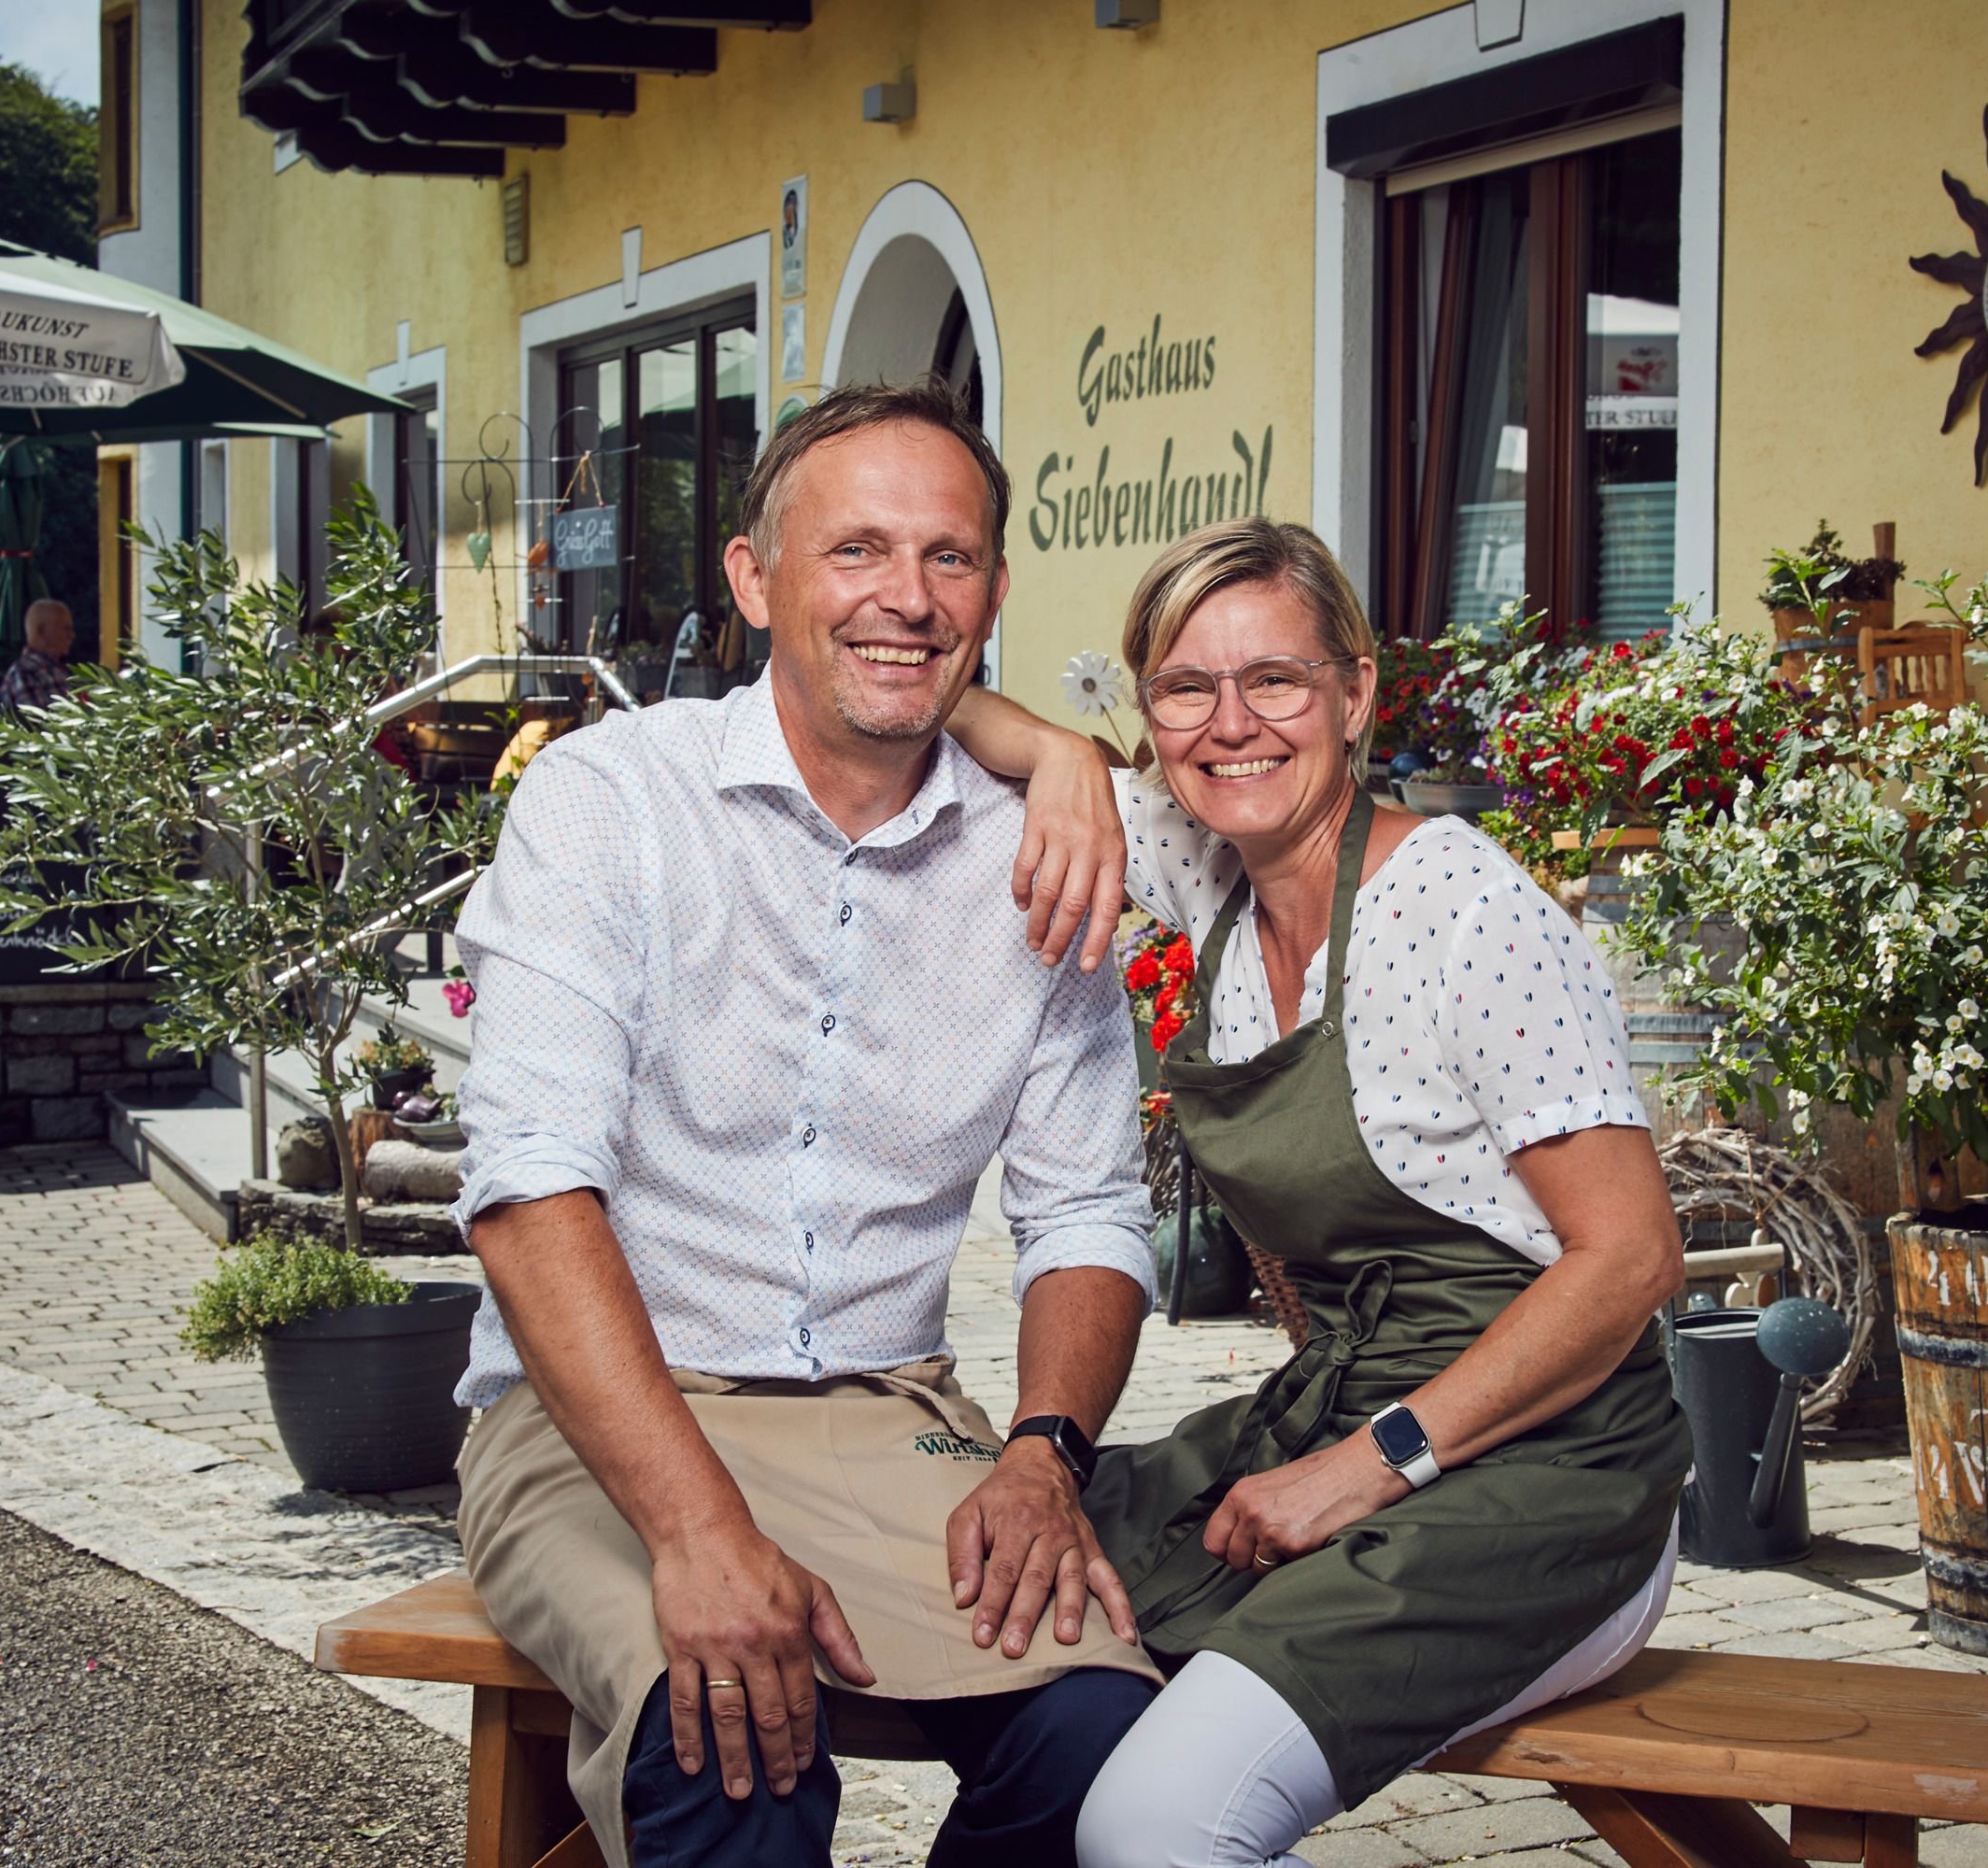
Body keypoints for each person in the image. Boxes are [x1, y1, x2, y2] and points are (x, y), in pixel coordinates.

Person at [450, 378, 1164, 1868]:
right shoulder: (611, 802)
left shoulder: (1045, 854)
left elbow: (1090, 1213)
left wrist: (1042, 1450)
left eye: (949, 558)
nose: (906, 598)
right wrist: (701, 1531)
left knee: (1115, 1756)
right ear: (755, 578)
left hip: (882, 1411)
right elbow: (529, 1196)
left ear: (995, 590)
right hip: (596, 1423)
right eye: (857, 552)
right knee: (731, 1747)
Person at [944, 519, 1691, 1868]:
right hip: (1330, 1418)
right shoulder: (1208, 868)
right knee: (995, 1607)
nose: (1232, 725)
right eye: (1186, 688)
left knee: (1157, 1819)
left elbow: (1633, 1262)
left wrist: (1369, 1466)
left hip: (1551, 1479)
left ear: (1357, 695)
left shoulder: (1466, 908)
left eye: (1276, 681)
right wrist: (1067, 749)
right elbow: (955, 705)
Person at [0, 598, 76, 713]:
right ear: (41, 631)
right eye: (65, 629)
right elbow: (41, 724)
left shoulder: (58, 670)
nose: (71, 636)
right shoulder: (24, 673)